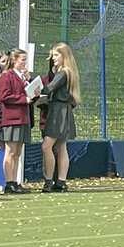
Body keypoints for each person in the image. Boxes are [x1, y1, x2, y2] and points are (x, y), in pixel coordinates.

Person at [40, 43, 81, 193]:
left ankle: (49, 181)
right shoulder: (67, 72)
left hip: (58, 111)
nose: (53, 58)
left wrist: (34, 89)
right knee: (61, 146)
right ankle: (61, 181)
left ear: (64, 56)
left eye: (56, 55)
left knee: (46, 146)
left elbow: (49, 88)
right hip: (63, 110)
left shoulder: (64, 73)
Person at [0, 47, 33, 193]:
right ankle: (9, 183)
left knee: (17, 152)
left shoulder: (22, 77)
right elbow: (4, 96)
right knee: (10, 151)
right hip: (12, 118)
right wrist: (24, 99)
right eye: (22, 60)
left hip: (23, 118)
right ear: (14, 60)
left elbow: (28, 93)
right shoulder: (6, 76)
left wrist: (32, 88)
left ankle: (15, 182)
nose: (25, 63)